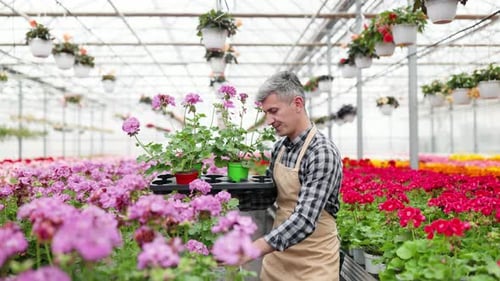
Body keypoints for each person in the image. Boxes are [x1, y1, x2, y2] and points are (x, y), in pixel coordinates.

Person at [240, 71, 343, 281]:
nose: (269, 120)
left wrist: (254, 248)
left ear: (297, 103)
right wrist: (227, 194)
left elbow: (305, 219)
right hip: (278, 260)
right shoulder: (281, 148)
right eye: (266, 113)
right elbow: (270, 196)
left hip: (314, 263)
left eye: (274, 111)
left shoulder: (320, 152)